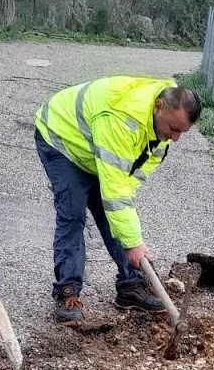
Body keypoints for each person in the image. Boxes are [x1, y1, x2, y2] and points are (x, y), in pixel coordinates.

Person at [34, 77, 200, 323]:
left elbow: (126, 186)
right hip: (63, 140)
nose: (175, 139)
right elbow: (115, 191)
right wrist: (132, 243)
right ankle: (67, 293)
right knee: (73, 214)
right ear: (158, 106)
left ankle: (130, 285)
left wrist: (128, 233)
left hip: (99, 148)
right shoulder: (123, 119)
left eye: (181, 133)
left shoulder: (160, 128)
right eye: (174, 129)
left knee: (116, 215)